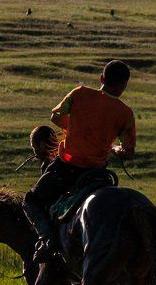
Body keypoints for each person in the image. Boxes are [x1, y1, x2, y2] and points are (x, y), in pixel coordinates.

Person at [22, 60, 136, 264]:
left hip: (66, 167)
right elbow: (128, 152)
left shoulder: (79, 93)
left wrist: (74, 129)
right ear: (124, 85)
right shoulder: (126, 114)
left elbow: (55, 116)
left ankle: (48, 241)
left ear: (102, 79)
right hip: (97, 174)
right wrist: (114, 148)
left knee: (31, 200)